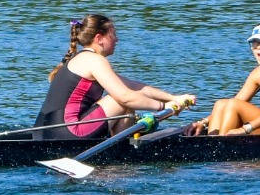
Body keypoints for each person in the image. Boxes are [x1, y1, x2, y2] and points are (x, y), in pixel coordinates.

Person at [34, 14, 193, 141]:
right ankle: (122, 153)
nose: (116, 39)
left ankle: (118, 142)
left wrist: (174, 98)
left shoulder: (82, 58)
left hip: (42, 132)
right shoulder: (95, 60)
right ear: (99, 38)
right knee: (124, 101)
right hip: (67, 133)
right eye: (113, 34)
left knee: (129, 96)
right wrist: (163, 107)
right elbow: (125, 96)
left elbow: (134, 86)